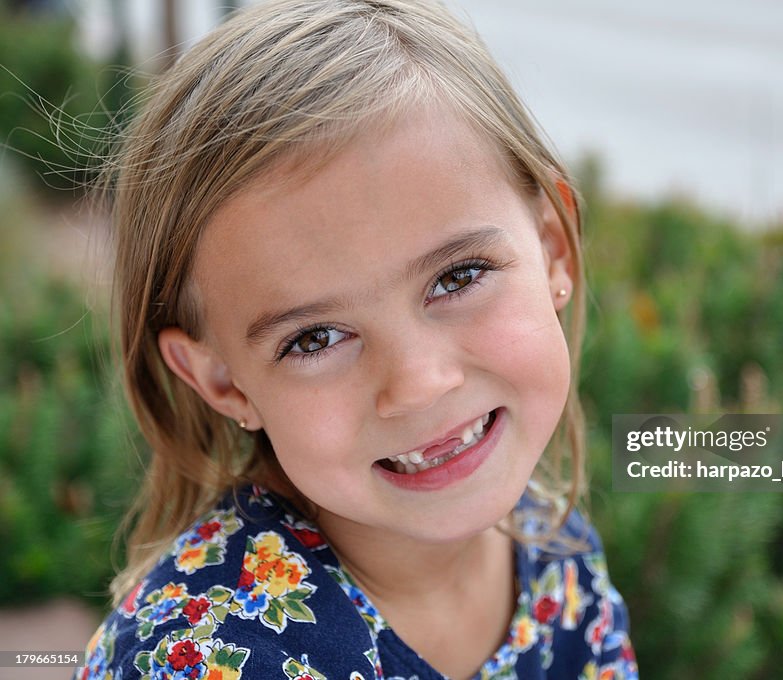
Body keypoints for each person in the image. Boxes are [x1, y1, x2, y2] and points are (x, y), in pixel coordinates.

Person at [77, 1, 637, 678]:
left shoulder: (556, 549)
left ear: (553, 251)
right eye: (315, 338)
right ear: (222, 380)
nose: (419, 384)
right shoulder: (201, 659)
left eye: (459, 276)